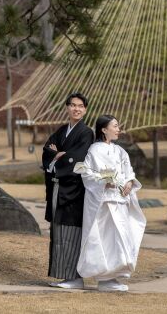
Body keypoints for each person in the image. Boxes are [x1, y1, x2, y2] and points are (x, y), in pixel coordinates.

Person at [75, 115, 146, 292]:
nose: (118, 129)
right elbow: (87, 174)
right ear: (104, 129)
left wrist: (129, 182)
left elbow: (128, 171)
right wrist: (104, 182)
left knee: (121, 237)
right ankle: (104, 277)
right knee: (104, 238)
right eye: (115, 126)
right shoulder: (94, 150)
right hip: (103, 202)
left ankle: (114, 276)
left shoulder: (120, 151)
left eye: (118, 126)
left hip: (120, 200)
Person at [42, 92, 94, 289]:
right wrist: (57, 156)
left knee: (71, 231)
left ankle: (75, 277)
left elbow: (78, 158)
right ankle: (65, 276)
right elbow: (48, 150)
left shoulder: (86, 132)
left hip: (74, 190)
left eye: (80, 106)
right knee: (57, 231)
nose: (76, 109)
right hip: (57, 187)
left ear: (85, 109)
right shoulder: (62, 130)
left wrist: (58, 156)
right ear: (67, 107)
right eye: (73, 105)